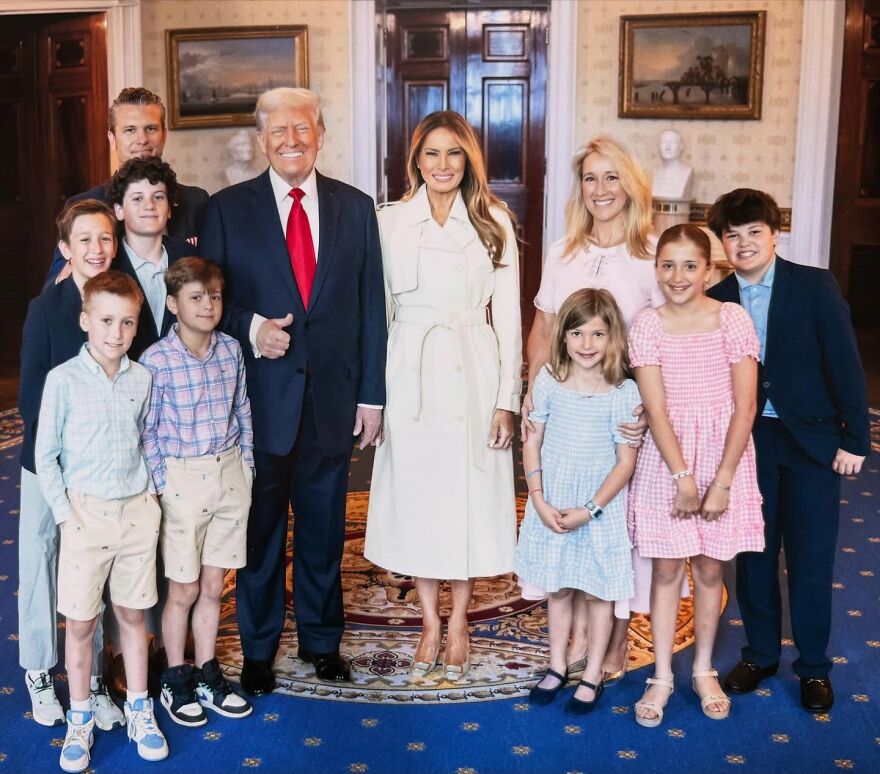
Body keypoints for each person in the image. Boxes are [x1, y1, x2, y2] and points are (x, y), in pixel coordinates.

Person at [200, 87, 386, 693]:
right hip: (258, 404)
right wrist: (252, 328)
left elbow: (370, 311)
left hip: (332, 401)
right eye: (278, 131)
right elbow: (205, 303)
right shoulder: (228, 210)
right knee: (260, 534)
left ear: (320, 135)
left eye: (301, 129)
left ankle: (321, 642)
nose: (290, 141)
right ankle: (257, 650)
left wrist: (372, 397)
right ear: (262, 141)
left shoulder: (357, 209)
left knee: (323, 530)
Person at [364, 110, 521, 682]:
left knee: (467, 498)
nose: (443, 165)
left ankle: (458, 621)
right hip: (409, 370)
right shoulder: (390, 222)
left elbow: (506, 316)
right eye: (432, 153)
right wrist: (373, 396)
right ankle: (429, 620)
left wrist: (508, 397)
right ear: (416, 160)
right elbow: (377, 313)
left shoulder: (494, 221)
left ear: (469, 161)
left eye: (454, 153)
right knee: (421, 497)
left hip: (472, 369)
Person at [706, 189, 870, 713]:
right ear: (722, 244)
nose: (744, 242)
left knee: (810, 556)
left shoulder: (813, 286)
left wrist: (855, 439)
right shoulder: (719, 297)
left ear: (775, 234)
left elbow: (845, 364)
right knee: (753, 554)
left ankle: (814, 667)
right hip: (749, 443)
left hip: (813, 443)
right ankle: (759, 654)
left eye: (754, 231)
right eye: (732, 235)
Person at [522, 135, 677, 684]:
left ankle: (611, 638)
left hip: (627, 410)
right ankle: (578, 637)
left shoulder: (650, 255)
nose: (600, 189)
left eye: (612, 177)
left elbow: (667, 337)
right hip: (567, 409)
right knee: (569, 521)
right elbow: (544, 326)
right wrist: (532, 390)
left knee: (618, 528)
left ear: (631, 185)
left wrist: (652, 408)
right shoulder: (564, 250)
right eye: (590, 178)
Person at [628, 224, 764, 727]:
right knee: (666, 571)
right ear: (656, 269)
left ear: (710, 269)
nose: (678, 276)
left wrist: (722, 480)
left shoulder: (731, 318)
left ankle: (703, 667)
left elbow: (745, 405)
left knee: (710, 570)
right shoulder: (647, 324)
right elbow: (657, 411)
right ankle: (661, 673)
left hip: (723, 457)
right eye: (668, 265)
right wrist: (683, 476)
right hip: (669, 459)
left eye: (690, 265)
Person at [34, 271, 168, 772]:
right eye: (106, 320)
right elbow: (45, 456)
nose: (116, 332)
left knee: (133, 616)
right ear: (86, 321)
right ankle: (81, 717)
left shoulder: (144, 379)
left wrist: (152, 497)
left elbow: (149, 441)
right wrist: (68, 518)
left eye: (127, 323)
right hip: (85, 516)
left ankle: (139, 708)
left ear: (136, 328)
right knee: (83, 623)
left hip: (136, 512)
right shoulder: (62, 381)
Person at [18, 200, 121, 730]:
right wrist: (65, 452)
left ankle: (95, 679)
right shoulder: (46, 308)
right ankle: (38, 670)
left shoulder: (125, 303)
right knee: (40, 560)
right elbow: (30, 399)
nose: (96, 249)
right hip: (48, 460)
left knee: (93, 571)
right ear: (65, 249)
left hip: (104, 467)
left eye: (104, 238)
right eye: (84, 240)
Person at [140, 257, 254, 726]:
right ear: (172, 303)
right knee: (183, 587)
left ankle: (208, 671)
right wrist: (165, 485)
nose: (208, 305)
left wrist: (246, 467)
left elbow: (242, 408)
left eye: (214, 296)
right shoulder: (156, 361)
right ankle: (176, 676)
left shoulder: (230, 349)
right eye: (195, 297)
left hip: (228, 474)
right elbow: (147, 432)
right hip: (181, 481)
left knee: (213, 585)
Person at [515, 288, 638, 713]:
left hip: (598, 509)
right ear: (563, 337)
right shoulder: (549, 380)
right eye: (578, 333)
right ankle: (557, 665)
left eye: (598, 334)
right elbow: (532, 442)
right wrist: (538, 499)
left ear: (612, 338)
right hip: (552, 502)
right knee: (560, 588)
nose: (587, 345)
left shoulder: (623, 392)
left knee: (599, 593)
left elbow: (625, 463)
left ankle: (593, 673)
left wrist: (591, 509)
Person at [45, 87, 209, 286]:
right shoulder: (83, 206)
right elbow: (55, 289)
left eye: (151, 128)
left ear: (164, 135)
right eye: (130, 130)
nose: (142, 140)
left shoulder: (195, 201)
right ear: (112, 139)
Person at [107, 156, 193, 361]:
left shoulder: (191, 257)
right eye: (137, 198)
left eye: (159, 197)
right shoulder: (107, 264)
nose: (149, 206)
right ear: (119, 210)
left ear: (170, 209)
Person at [652, 129, 694, 201]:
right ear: (658, 147)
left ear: (681, 146)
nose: (667, 147)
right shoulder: (654, 172)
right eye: (663, 142)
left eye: (672, 142)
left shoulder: (688, 171)